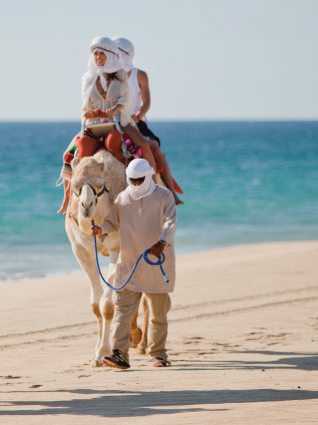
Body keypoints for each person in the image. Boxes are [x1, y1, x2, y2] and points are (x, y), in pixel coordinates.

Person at [91, 158, 177, 369]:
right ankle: (120, 354)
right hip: (129, 263)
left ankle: (159, 354)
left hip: (157, 263)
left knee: (158, 314)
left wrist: (163, 240)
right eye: (133, 180)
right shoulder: (123, 198)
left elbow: (170, 221)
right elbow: (112, 221)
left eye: (140, 180)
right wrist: (101, 229)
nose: (136, 184)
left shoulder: (164, 196)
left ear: (148, 176)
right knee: (122, 312)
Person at [112, 36, 183, 206]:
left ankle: (171, 194)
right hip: (115, 122)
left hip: (136, 123)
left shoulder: (140, 75)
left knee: (156, 150)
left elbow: (147, 103)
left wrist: (137, 115)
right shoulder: (110, 76)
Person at [77, 36, 156, 169]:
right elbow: (85, 104)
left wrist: (115, 109)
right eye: (95, 53)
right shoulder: (87, 78)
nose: (98, 57)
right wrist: (88, 112)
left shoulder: (120, 75)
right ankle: (74, 187)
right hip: (95, 123)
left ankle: (152, 187)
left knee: (144, 145)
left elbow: (125, 99)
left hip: (119, 120)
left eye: (102, 53)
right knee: (73, 152)